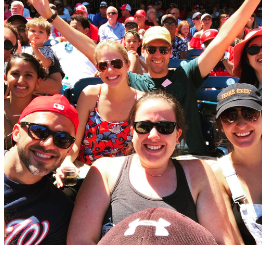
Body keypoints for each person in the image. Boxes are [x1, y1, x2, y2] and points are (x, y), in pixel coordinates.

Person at [20, 0, 262, 155]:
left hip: (191, 158)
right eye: (152, 50)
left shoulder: (187, 73)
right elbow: (92, 48)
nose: (157, 55)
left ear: (171, 51)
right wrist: (52, 18)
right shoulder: (133, 80)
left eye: (163, 49)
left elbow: (224, 36)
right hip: (152, 158)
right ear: (143, 53)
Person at [66, 90, 235, 245]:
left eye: (165, 128)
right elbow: (80, 242)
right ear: (132, 132)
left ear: (177, 136)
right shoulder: (105, 171)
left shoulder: (199, 173)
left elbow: (222, 243)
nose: (154, 135)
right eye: (144, 127)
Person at [55, 40, 144, 188]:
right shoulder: (89, 94)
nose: (110, 70)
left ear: (127, 65)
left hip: (124, 176)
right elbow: (75, 143)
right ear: (98, 69)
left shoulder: (141, 101)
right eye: (103, 66)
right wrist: (67, 161)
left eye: (116, 63)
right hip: (86, 172)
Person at [211, 83, 262, 245]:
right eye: (230, 116)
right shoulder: (218, 175)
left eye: (250, 113)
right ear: (221, 125)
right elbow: (233, 243)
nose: (241, 124)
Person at [4, 94, 78, 245]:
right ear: (17, 133)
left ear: (68, 150)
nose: (49, 144)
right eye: (39, 131)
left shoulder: (60, 211)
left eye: (62, 139)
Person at [4, 53, 47, 151]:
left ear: (38, 82)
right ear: (5, 78)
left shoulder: (45, 113)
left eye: (28, 75)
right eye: (15, 73)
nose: (21, 80)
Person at [51, 15, 97, 86]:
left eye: (76, 28)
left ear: (86, 30)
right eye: (70, 29)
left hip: (88, 89)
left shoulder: (95, 50)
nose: (71, 32)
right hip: (62, 90)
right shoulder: (59, 47)